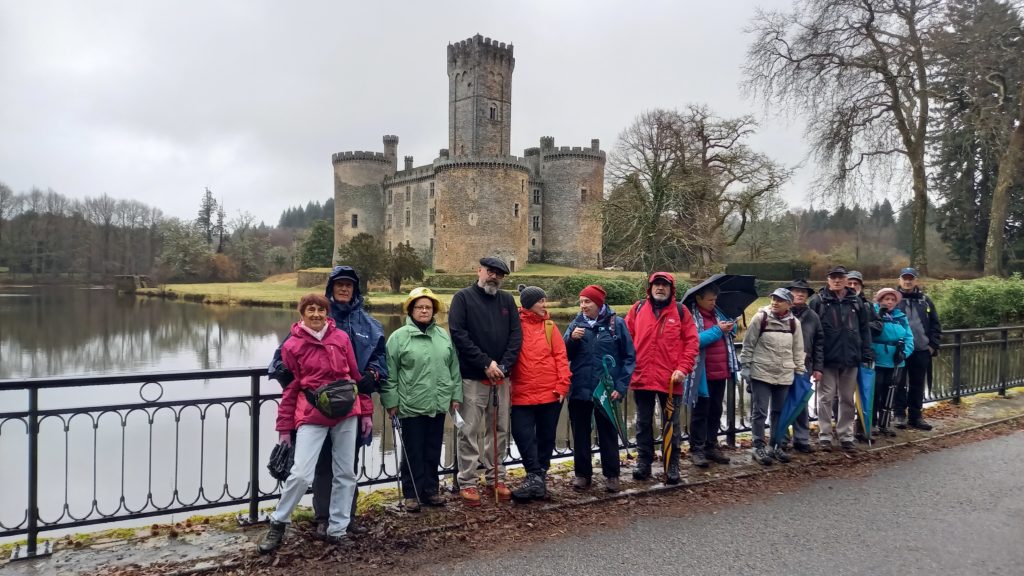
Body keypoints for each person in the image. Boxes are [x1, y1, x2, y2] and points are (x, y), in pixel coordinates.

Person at [267, 266, 385, 538]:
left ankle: (343, 522)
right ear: (330, 289)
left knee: (347, 467)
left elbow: (376, 361)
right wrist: (283, 379)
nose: (344, 289)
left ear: (355, 290)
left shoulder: (368, 325)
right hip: (314, 411)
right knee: (317, 468)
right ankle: (322, 517)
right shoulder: (299, 336)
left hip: (349, 408)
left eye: (349, 286)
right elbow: (282, 367)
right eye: (339, 285)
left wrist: (374, 377)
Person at [258, 294, 370, 553]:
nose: (317, 314)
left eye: (321, 309)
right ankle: (278, 522)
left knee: (346, 473)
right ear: (302, 313)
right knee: (300, 473)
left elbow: (355, 377)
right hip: (312, 413)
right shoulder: (292, 345)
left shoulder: (341, 338)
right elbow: (290, 388)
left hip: (346, 412)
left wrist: (366, 411)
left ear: (326, 312)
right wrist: (284, 427)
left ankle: (338, 529)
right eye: (311, 310)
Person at [448, 256, 523, 505]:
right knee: (469, 431)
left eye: (499, 274)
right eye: (490, 271)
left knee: (499, 430)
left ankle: (495, 477)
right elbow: (459, 334)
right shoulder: (463, 298)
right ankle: (467, 481)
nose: (494, 277)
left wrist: (502, 366)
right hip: (473, 377)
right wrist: (485, 363)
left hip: (501, 379)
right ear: (479, 270)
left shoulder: (507, 301)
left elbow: (515, 336)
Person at [381, 287, 462, 512]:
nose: (424, 310)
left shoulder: (442, 336)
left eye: (428, 307)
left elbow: (453, 367)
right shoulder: (398, 338)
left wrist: (455, 395)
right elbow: (390, 373)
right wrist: (391, 401)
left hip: (437, 403)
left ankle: (430, 490)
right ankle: (412, 493)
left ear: (433, 310)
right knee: (413, 451)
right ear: (411, 310)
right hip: (410, 404)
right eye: (419, 307)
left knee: (433, 448)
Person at [625, 272, 699, 485]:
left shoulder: (681, 312)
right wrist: (629, 366)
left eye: (664, 285)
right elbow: (627, 338)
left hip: (670, 379)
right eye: (656, 285)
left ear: (671, 289)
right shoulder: (638, 309)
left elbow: (691, 343)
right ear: (650, 288)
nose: (660, 288)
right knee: (642, 422)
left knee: (671, 424)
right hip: (642, 376)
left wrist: (683, 369)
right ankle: (644, 462)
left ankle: (671, 463)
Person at [564, 284, 636, 493]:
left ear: (598, 303)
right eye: (581, 302)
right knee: (580, 433)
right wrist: (572, 340)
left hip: (606, 390)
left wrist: (621, 387)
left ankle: (612, 475)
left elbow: (629, 357)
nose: (583, 306)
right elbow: (564, 355)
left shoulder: (617, 324)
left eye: (587, 302)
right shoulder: (575, 325)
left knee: (607, 433)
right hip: (580, 388)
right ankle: (582, 475)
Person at [508, 285, 570, 502]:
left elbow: (561, 357)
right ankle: (536, 477)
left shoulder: (550, 327)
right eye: (540, 301)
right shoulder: (514, 326)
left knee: (546, 438)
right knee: (522, 434)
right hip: (522, 393)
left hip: (550, 393)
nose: (545, 305)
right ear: (528, 304)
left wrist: (562, 386)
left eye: (545, 301)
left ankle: (536, 478)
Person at [808, 266, 874, 452]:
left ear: (846, 279)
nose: (837, 281)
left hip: (851, 357)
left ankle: (846, 435)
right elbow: (812, 332)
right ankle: (825, 436)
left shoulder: (856, 302)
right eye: (833, 278)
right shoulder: (818, 301)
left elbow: (864, 329)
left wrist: (866, 350)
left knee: (847, 399)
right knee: (825, 399)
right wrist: (815, 360)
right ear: (828, 280)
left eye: (840, 278)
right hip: (827, 359)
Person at [739, 288, 806, 465]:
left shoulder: (794, 324)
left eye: (780, 300)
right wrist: (746, 366)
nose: (775, 302)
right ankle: (758, 446)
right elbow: (748, 344)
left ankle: (776, 445)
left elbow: (798, 350)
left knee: (779, 411)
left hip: (784, 373)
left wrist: (800, 371)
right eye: (773, 299)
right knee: (759, 411)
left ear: (789, 304)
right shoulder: (760, 318)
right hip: (761, 372)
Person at [685, 284, 740, 468]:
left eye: (715, 299)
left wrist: (731, 326)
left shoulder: (719, 313)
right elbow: (694, 341)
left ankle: (711, 445)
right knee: (700, 412)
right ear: (699, 299)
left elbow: (731, 333)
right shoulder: (690, 317)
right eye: (710, 300)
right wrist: (718, 330)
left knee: (716, 410)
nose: (713, 302)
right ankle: (697, 448)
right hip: (702, 373)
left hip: (721, 370)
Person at [895, 267, 942, 431]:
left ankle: (916, 416)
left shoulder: (925, 300)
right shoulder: (893, 299)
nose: (907, 281)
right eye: (904, 278)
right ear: (899, 280)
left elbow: (936, 324)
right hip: (899, 351)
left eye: (911, 278)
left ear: (916, 280)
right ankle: (899, 415)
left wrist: (932, 346)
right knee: (898, 383)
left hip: (921, 350)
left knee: (917, 384)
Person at [786, 279, 824, 453]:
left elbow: (819, 343)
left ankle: (801, 439)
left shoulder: (813, 316)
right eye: (796, 291)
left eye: (803, 292)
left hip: (804, 365)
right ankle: (781, 437)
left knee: (801, 402)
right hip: (782, 365)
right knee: (782, 402)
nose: (800, 294)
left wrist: (818, 367)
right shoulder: (781, 313)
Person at [871, 287, 914, 437]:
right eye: (886, 299)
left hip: (896, 360)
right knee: (874, 393)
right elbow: (867, 335)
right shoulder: (873, 314)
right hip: (877, 360)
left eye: (892, 300)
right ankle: (872, 423)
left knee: (890, 393)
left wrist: (904, 353)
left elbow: (909, 337)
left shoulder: (901, 317)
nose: (889, 302)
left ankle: (885, 424)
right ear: (880, 300)